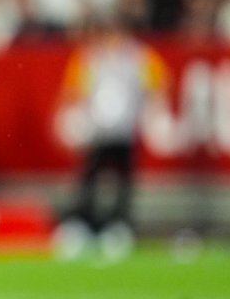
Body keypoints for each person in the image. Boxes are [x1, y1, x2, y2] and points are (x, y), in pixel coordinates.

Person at [54, 17, 168, 262]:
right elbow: (72, 90)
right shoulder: (91, 58)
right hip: (96, 130)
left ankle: (119, 226)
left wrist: (151, 110)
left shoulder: (138, 57)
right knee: (90, 178)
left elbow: (159, 84)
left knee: (123, 180)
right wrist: (71, 119)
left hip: (124, 129)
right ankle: (83, 225)